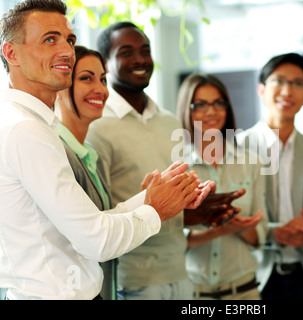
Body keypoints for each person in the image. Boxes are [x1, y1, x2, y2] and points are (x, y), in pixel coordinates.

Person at [0, 0, 203, 300]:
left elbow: (88, 224)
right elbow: (96, 241)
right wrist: (156, 209)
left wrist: (149, 197)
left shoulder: (34, 125)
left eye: (69, 39)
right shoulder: (25, 130)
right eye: (49, 39)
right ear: (11, 53)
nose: (67, 51)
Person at [87, 22, 216, 300]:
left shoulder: (169, 121)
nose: (140, 59)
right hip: (132, 279)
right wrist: (148, 201)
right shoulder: (97, 125)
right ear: (105, 64)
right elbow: (97, 217)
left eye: (145, 50)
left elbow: (174, 202)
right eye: (126, 52)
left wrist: (198, 205)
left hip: (181, 273)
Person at [236, 52, 303, 300]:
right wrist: (279, 231)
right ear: (261, 89)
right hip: (255, 278)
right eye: (278, 80)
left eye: (297, 83)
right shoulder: (236, 149)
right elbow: (236, 219)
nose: (287, 90)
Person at [176, 73, 269, 300]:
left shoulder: (251, 162)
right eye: (200, 105)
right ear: (187, 110)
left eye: (218, 103)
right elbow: (173, 238)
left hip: (244, 293)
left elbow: (260, 237)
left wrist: (242, 226)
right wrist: (220, 229)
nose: (211, 111)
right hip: (193, 294)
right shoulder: (177, 166)